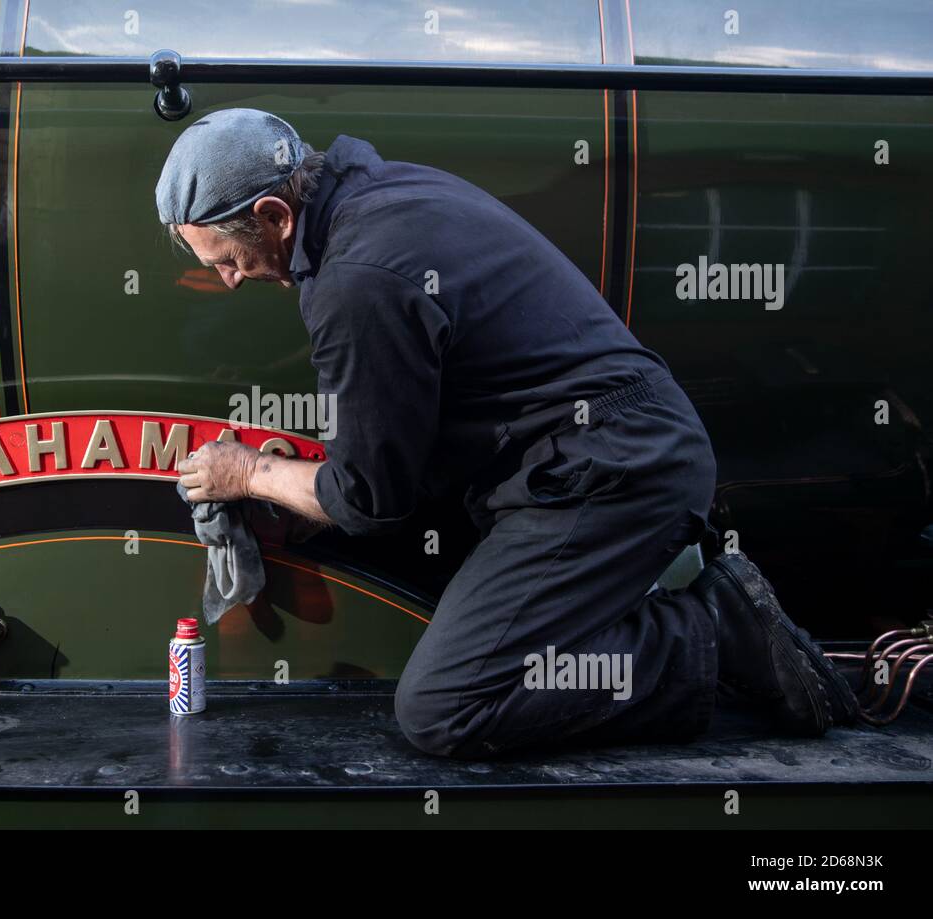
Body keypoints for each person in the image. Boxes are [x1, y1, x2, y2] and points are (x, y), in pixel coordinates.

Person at [160, 108, 858, 758]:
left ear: (275, 213)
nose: (227, 280)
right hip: (611, 450)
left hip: (608, 472)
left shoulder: (356, 279)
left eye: (226, 259)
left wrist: (248, 473)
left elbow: (370, 500)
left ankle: (711, 633)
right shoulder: (380, 193)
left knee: (446, 706)